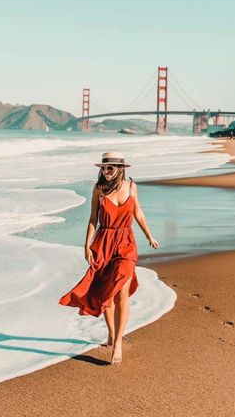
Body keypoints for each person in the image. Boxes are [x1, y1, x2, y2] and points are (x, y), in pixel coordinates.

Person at [58, 151, 160, 365]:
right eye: (103, 168)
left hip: (126, 244)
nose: (106, 171)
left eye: (110, 168)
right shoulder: (99, 190)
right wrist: (87, 244)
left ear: (120, 169)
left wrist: (149, 235)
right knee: (107, 293)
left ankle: (118, 343)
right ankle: (111, 335)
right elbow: (93, 219)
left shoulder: (131, 187)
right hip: (103, 243)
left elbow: (138, 213)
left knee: (122, 290)